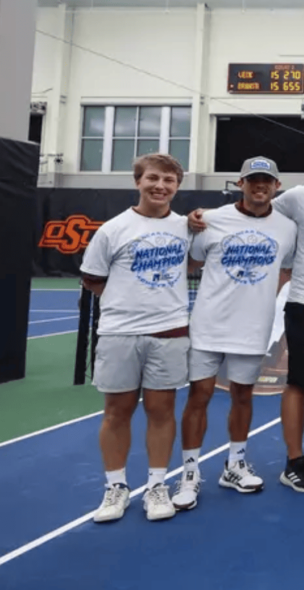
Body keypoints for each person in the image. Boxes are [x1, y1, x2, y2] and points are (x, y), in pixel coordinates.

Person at [192, 137, 304, 492]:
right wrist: (197, 217)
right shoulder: (297, 197)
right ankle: (294, 461)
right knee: (298, 382)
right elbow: (254, 208)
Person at [172, 157, 297, 511]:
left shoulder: (287, 228)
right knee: (200, 396)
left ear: (277, 187)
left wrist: (266, 306)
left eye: (267, 181)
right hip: (208, 326)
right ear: (240, 183)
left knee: (243, 396)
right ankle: (190, 473)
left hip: (253, 330)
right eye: (254, 180)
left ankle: (235, 464)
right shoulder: (209, 220)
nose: (261, 186)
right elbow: (192, 262)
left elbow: (286, 269)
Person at [81, 153, 191, 523]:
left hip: (170, 332)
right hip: (119, 333)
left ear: (177, 186)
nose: (160, 186)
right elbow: (93, 278)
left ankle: (157, 485)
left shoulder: (187, 228)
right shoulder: (113, 229)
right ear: (138, 182)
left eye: (169, 181)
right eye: (153, 179)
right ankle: (115, 488)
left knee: (161, 411)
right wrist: (127, 305)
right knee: (117, 412)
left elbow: (195, 262)